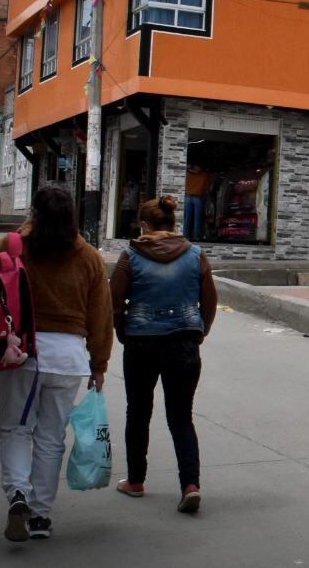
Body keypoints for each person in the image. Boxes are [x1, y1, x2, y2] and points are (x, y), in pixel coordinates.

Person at [0, 185, 112, 542]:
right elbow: (102, 316)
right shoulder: (88, 256)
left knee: (14, 428)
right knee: (51, 436)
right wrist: (99, 363)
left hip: (20, 353)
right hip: (68, 359)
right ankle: (40, 516)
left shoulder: (12, 246)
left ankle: (18, 495)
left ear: (34, 213)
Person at [110, 195, 217, 514]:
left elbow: (114, 301)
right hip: (184, 342)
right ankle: (190, 485)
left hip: (141, 343)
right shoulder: (196, 255)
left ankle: (136, 481)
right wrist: (198, 332)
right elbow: (209, 302)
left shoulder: (131, 256)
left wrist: (123, 333)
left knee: (138, 412)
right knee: (181, 417)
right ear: (173, 223)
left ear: (144, 225)